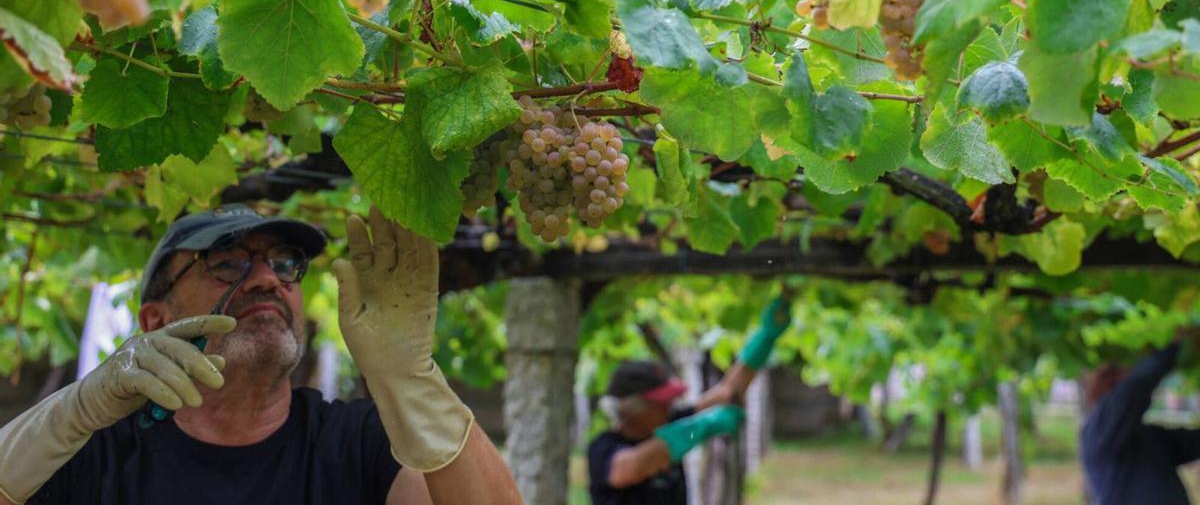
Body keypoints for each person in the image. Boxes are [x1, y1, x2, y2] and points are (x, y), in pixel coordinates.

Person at [0, 204, 522, 505]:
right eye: (227, 263)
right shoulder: (94, 455)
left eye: (286, 263)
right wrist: (76, 411)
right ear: (155, 320)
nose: (268, 278)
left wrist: (413, 380)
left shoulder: (360, 443)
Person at [587, 295, 791, 505]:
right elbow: (632, 468)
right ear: (632, 408)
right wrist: (701, 426)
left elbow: (727, 392)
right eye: (659, 403)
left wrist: (766, 338)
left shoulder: (670, 423)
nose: (668, 407)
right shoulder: (605, 446)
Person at [1080, 332, 1200, 505]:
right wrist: (1176, 345)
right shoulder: (1098, 430)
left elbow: (1192, 442)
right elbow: (1134, 389)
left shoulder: (1143, 436)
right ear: (1111, 385)